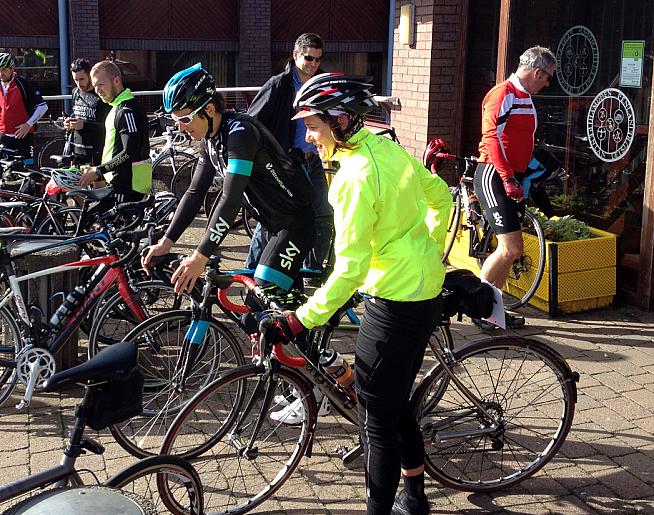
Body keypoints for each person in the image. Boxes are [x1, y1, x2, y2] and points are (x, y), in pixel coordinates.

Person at [270, 73, 452, 515]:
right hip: (421, 289)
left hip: (395, 302)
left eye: (313, 126)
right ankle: (415, 497)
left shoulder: (354, 176)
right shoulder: (387, 149)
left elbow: (349, 269)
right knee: (393, 401)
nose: (308, 137)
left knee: (375, 421)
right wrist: (427, 250)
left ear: (341, 121)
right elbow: (441, 197)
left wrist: (299, 319)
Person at [141, 63, 315, 298]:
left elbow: (230, 198)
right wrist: (166, 241)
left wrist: (200, 256)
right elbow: (194, 193)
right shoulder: (210, 140)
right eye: (175, 120)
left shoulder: (240, 134)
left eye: (185, 119)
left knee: (260, 299)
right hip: (269, 225)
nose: (180, 128)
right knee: (273, 306)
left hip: (294, 224)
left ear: (210, 109)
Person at [473, 45, 556, 330]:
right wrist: (508, 178)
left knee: (512, 250)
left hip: (511, 177)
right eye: (548, 77)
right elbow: (490, 137)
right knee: (510, 249)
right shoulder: (504, 93)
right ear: (537, 72)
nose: (548, 83)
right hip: (494, 175)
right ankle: (478, 307)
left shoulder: (524, 97)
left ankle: (493, 310)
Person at [245, 32, 333, 277]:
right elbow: (252, 123)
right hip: (285, 165)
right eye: (309, 58)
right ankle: (251, 271)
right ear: (296, 55)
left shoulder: (321, 83)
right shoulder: (278, 85)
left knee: (322, 215)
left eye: (318, 59)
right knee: (275, 219)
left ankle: (312, 271)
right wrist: (267, 158)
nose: (314, 64)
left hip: (313, 160)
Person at [78, 60, 151, 203]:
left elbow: (129, 152)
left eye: (101, 84)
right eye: (95, 86)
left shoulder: (126, 110)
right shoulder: (118, 106)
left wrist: (98, 170)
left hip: (127, 184)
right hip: (121, 181)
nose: (97, 90)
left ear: (116, 81)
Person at [0, 52, 48, 165]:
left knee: (26, 168)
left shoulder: (23, 83)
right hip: (3, 137)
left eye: (3, 69)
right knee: (5, 170)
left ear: (12, 68)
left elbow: (42, 106)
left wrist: (28, 124)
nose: (1, 73)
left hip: (24, 136)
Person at [64, 58, 110, 166]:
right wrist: (68, 122)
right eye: (75, 80)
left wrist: (85, 125)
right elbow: (77, 114)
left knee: (97, 178)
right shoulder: (76, 92)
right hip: (77, 150)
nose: (79, 83)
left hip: (97, 151)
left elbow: (110, 126)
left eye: (82, 79)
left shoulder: (101, 93)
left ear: (90, 75)